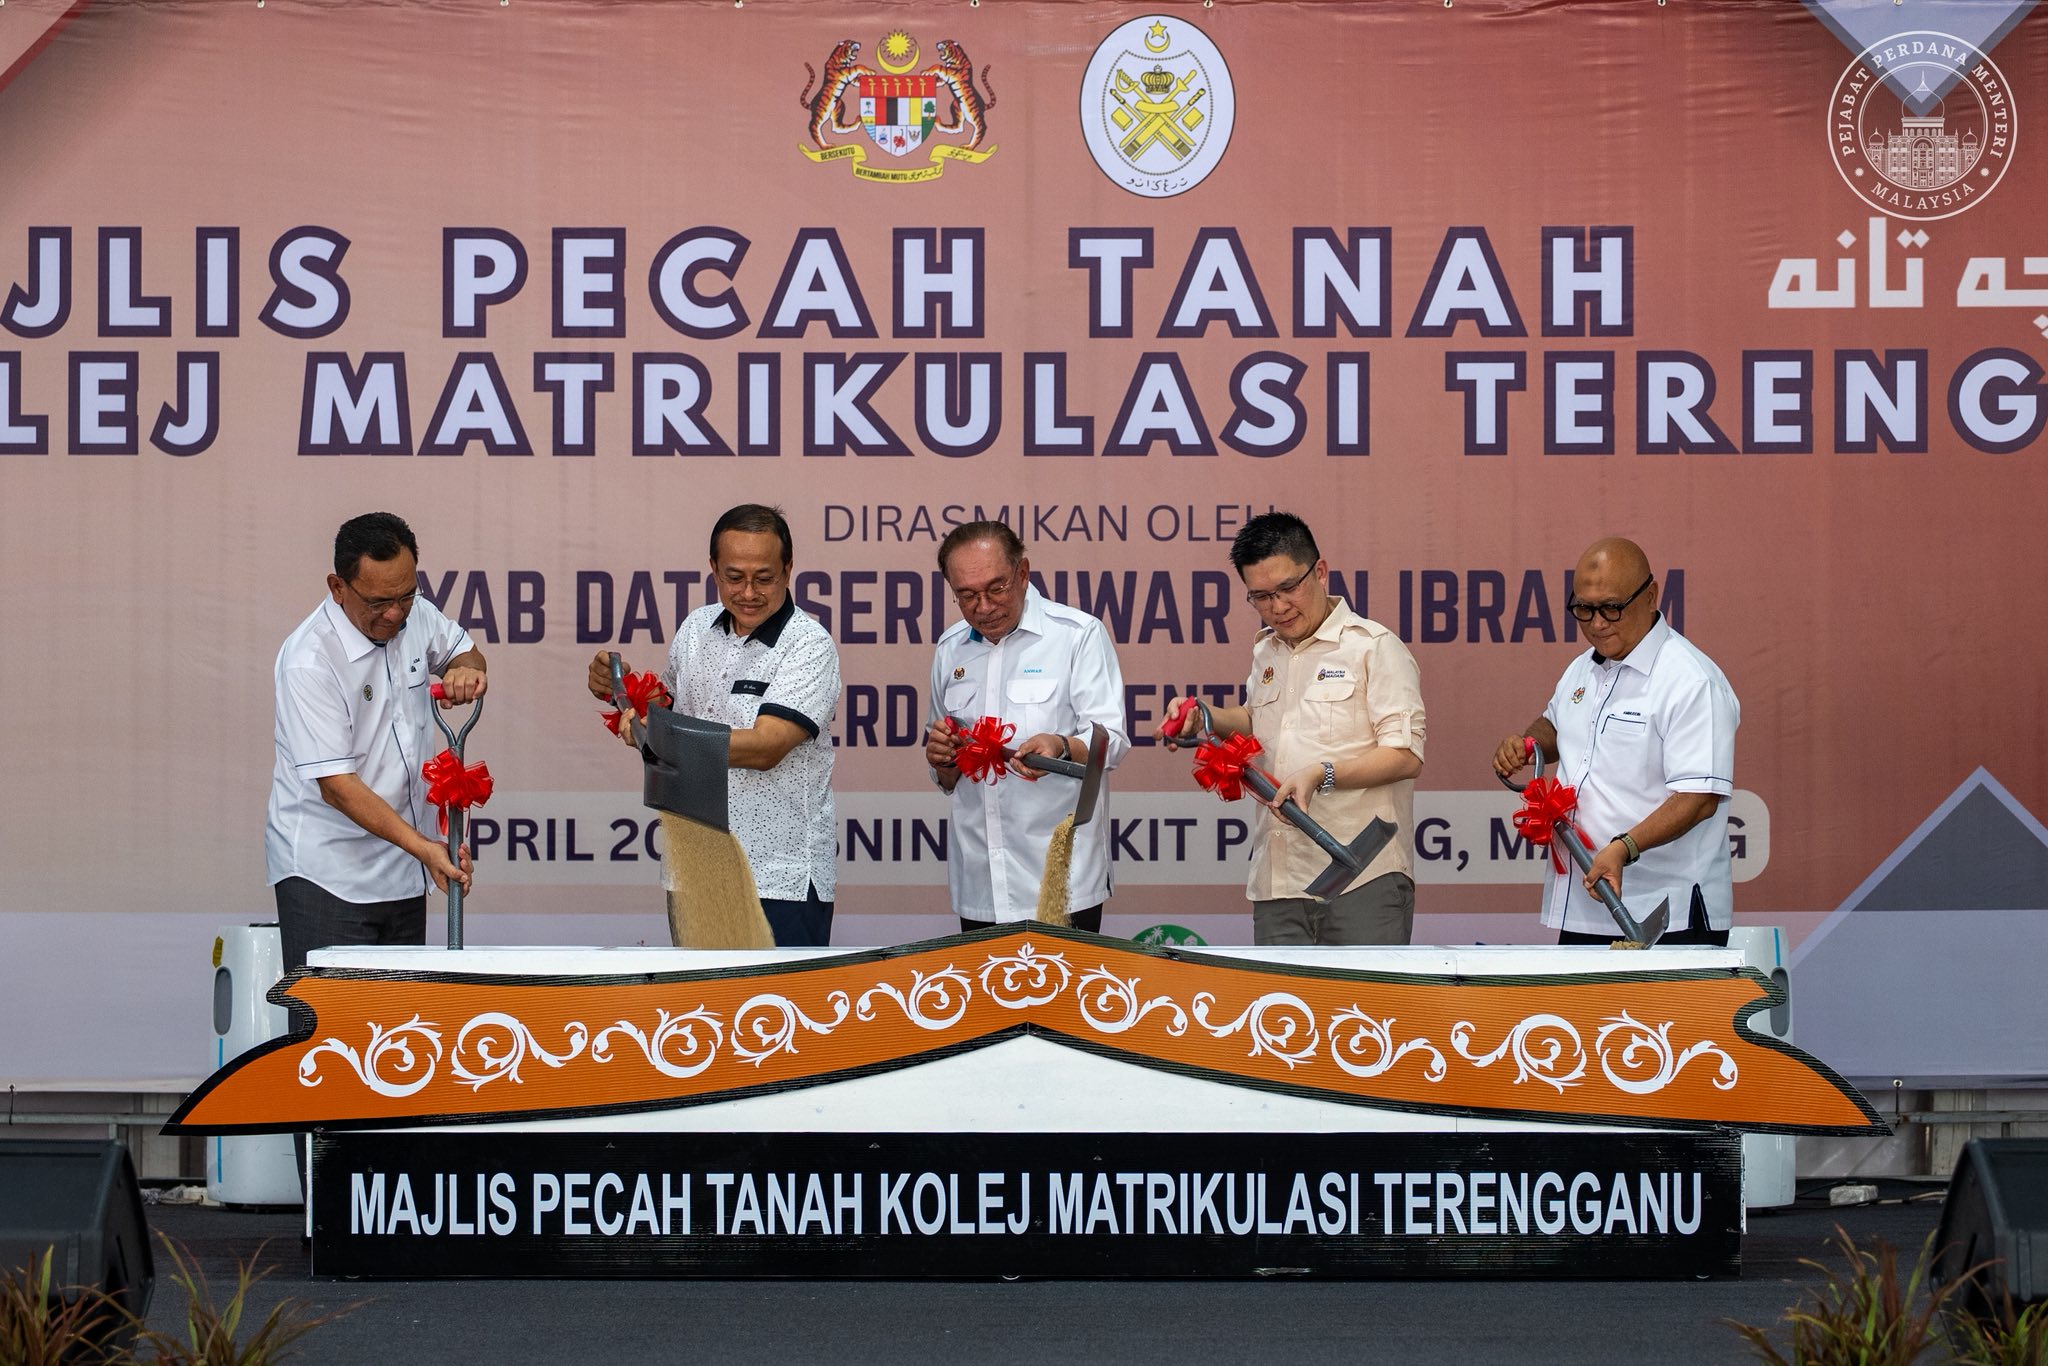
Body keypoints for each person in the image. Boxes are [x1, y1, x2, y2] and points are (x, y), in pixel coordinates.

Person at [1162, 512, 1425, 945]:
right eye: (1261, 596)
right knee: (1278, 993)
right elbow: (1256, 722)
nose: (1278, 607)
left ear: (1319, 572)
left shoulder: (1374, 647)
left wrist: (1321, 774)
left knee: (1361, 994)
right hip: (1279, 879)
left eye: (1288, 588)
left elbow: (1405, 755)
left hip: (1362, 875)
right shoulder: (1267, 651)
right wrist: (1203, 714)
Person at [587, 504, 840, 948]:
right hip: (694, 866)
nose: (748, 592)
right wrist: (621, 690)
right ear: (713, 570)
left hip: (777, 876)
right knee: (698, 994)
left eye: (764, 578)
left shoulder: (808, 644)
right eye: (734, 577)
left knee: (779, 995)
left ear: (788, 570)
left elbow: (766, 747)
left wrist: (660, 737)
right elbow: (668, 704)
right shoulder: (696, 627)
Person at [1491, 537, 1739, 945]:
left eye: (1611, 607)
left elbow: (1699, 798)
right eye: (1583, 609)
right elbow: (1557, 726)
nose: (1597, 623)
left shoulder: (1691, 680)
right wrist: (1527, 744)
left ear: (1651, 596)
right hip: (1585, 903)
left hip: (1668, 910)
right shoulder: (1582, 669)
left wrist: (1624, 848)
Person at [267, 512, 486, 973]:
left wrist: (465, 671)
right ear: (337, 587)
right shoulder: (309, 660)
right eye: (379, 602)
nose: (395, 614)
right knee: (333, 1019)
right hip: (328, 877)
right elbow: (337, 787)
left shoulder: (415, 614)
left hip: (403, 871)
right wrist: (425, 848)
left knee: (401, 1016)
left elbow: (465, 653)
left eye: (406, 595)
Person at [923, 522, 1129, 934]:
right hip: (981, 880)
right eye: (967, 595)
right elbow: (946, 773)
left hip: (1063, 879)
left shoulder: (1076, 635)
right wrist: (942, 759)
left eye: (996, 588)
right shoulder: (950, 649)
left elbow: (1113, 740)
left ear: (1022, 573)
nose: (984, 606)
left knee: (1067, 980)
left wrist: (1061, 746)